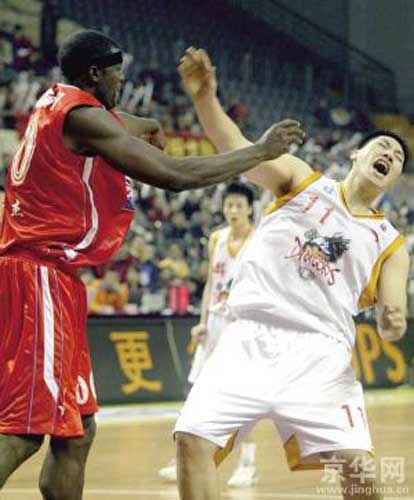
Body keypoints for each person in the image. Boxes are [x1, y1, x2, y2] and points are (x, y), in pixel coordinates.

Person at [0, 31, 304, 499]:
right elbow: (174, 175)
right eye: (117, 73)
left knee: (76, 431)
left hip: (51, 277)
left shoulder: (57, 102)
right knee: (24, 430)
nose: (123, 81)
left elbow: (114, 122)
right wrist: (260, 152)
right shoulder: (82, 117)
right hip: (37, 274)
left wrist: (146, 123)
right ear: (95, 74)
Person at [173, 48, 410, 500]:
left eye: (397, 156)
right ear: (356, 154)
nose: (389, 153)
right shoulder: (302, 180)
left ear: (393, 177)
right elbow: (237, 149)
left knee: (358, 469)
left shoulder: (390, 243)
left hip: (321, 353)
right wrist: (205, 100)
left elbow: (392, 316)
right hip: (248, 337)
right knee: (191, 440)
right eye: (382, 146)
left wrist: (391, 321)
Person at [160, 182, 258, 487]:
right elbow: (210, 285)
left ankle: (248, 463)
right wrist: (202, 321)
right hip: (214, 323)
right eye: (229, 205)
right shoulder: (216, 238)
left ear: (249, 208)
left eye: (238, 205)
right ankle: (182, 457)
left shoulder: (259, 241)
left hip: (241, 325)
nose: (233, 210)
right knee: (197, 394)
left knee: (240, 396)